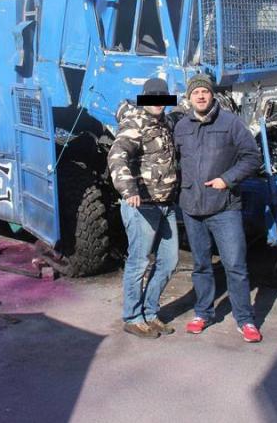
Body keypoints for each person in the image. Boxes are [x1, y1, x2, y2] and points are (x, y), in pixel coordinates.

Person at [173, 74, 264, 342]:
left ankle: (245, 319)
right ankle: (203, 312)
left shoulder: (230, 123)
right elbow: (171, 161)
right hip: (192, 207)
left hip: (225, 208)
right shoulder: (181, 127)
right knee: (201, 265)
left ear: (212, 95)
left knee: (234, 265)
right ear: (189, 98)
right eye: (195, 92)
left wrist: (227, 179)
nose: (200, 96)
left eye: (205, 91)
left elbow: (252, 158)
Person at [108, 77, 179, 339]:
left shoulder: (167, 122)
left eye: (163, 97)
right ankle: (133, 317)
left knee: (169, 262)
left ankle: (150, 312)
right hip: (142, 207)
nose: (159, 102)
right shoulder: (134, 123)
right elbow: (117, 155)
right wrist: (129, 190)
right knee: (139, 263)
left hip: (166, 205)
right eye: (153, 96)